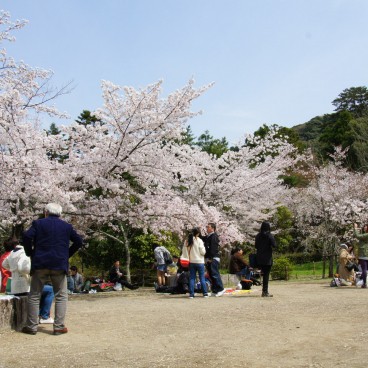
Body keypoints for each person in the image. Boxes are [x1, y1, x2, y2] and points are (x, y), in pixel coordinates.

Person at [22, 202, 83, 335]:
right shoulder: (66, 226)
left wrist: (30, 252)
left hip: (40, 263)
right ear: (60, 214)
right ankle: (59, 327)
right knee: (61, 296)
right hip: (59, 264)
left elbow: (26, 236)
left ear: (46, 212)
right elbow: (78, 241)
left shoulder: (38, 223)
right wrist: (67, 254)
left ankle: (32, 327)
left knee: (34, 295)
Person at [182, 227, 208, 298]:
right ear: (198, 234)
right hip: (200, 262)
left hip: (191, 262)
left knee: (192, 278)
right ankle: (205, 293)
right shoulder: (199, 240)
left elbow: (184, 251)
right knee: (202, 278)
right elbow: (203, 252)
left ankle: (191, 294)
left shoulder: (187, 241)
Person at [203, 223, 225, 297]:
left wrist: (211, 258)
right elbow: (203, 238)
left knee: (215, 274)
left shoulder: (214, 236)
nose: (207, 228)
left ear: (213, 228)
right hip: (209, 258)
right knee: (211, 275)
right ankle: (215, 290)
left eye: (208, 227)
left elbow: (213, 248)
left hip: (213, 258)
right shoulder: (209, 236)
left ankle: (221, 289)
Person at [255, 221, 276, 297]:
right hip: (267, 258)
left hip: (259, 258)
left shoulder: (258, 236)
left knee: (263, 274)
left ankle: (264, 291)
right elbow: (274, 245)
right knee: (266, 275)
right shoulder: (269, 235)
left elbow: (256, 246)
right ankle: (265, 291)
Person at [354, 223, 368, 288]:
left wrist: (355, 228)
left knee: (364, 269)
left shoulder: (366, 235)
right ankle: (363, 281)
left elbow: (357, 236)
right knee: (365, 269)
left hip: (364, 254)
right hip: (364, 254)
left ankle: (364, 283)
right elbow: (358, 235)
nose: (364, 227)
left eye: (366, 226)